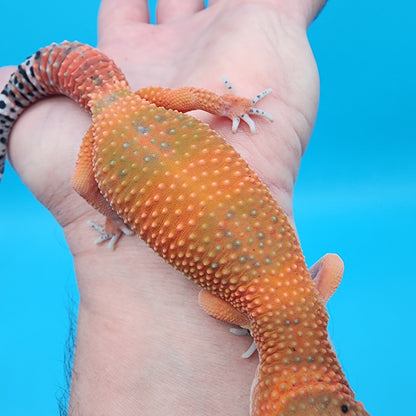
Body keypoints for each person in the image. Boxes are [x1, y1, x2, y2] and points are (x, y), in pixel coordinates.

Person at [0, 0, 327, 414]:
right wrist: (229, 107)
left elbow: (84, 184)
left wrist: (110, 217)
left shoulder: (102, 137)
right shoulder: (140, 106)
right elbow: (183, 99)